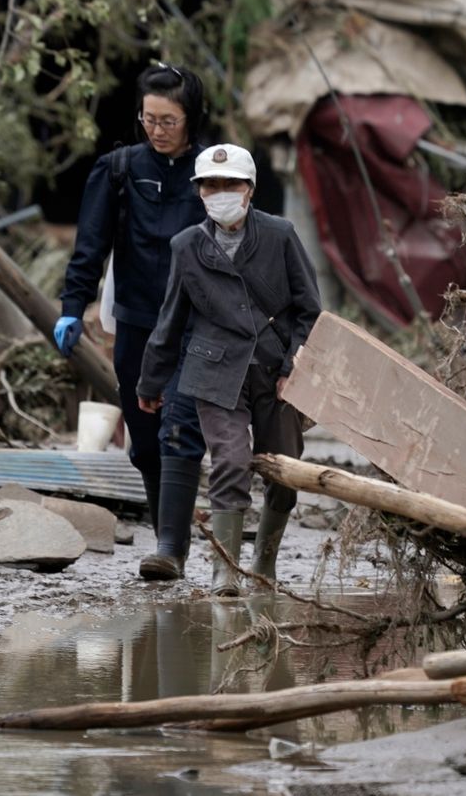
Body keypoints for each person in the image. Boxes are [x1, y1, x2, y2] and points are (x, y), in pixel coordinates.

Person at [136, 143, 321, 596]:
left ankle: (265, 561)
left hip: (277, 370)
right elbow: (171, 318)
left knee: (285, 469)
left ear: (250, 189)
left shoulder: (279, 235)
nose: (221, 193)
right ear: (199, 192)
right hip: (215, 373)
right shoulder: (187, 246)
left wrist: (294, 363)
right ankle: (226, 568)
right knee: (230, 462)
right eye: (211, 186)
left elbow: (309, 310)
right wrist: (151, 381)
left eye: (231, 184)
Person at [53, 63, 209, 582]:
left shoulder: (213, 173)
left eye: (169, 121)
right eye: (150, 119)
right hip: (138, 319)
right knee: (143, 438)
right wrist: (73, 307)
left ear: (191, 118)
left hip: (196, 322)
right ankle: (170, 530)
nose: (158, 130)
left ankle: (171, 545)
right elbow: (91, 244)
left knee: (180, 427)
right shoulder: (119, 169)